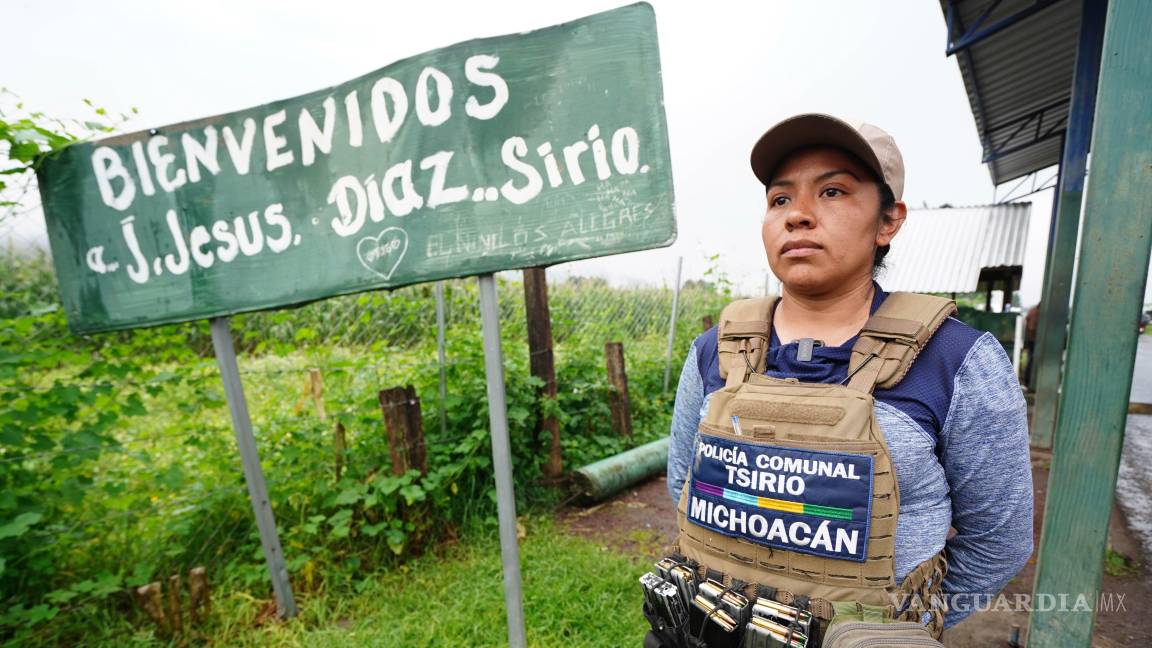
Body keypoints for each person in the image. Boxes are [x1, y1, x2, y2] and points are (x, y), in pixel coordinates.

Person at [665, 114, 1033, 634]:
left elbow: (997, 540)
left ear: (888, 221)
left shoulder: (955, 361)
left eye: (833, 191)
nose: (798, 216)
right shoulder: (714, 350)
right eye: (780, 199)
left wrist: (899, 627)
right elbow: (684, 483)